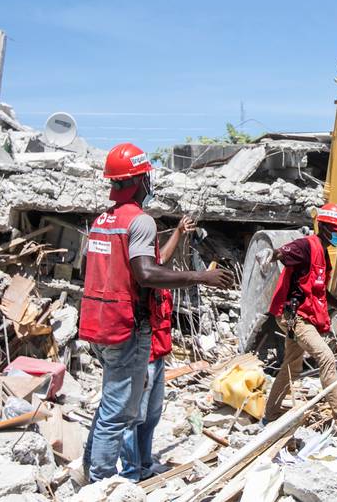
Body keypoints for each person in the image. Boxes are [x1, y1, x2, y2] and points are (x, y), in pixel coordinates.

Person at [80, 143, 231, 482]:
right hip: (126, 327)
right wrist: (200, 277)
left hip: (99, 323)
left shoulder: (104, 221)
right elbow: (146, 273)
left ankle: (93, 466)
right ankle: (101, 483)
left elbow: (124, 267)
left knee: (110, 405)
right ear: (140, 180)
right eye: (147, 176)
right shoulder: (140, 221)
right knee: (120, 412)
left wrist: (177, 234)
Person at [258, 202, 337, 435]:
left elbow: (320, 289)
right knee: (326, 357)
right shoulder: (306, 246)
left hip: (302, 316)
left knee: (292, 366)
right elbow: (285, 252)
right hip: (294, 317)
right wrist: (271, 254)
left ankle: (270, 415)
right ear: (324, 227)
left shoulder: (323, 253)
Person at [120, 214, 196, 481]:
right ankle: (130, 472)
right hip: (144, 354)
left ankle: (143, 464)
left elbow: (162, 258)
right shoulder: (145, 276)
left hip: (159, 352)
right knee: (133, 417)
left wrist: (179, 232)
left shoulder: (155, 269)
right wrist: (200, 276)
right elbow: (157, 266)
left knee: (151, 416)